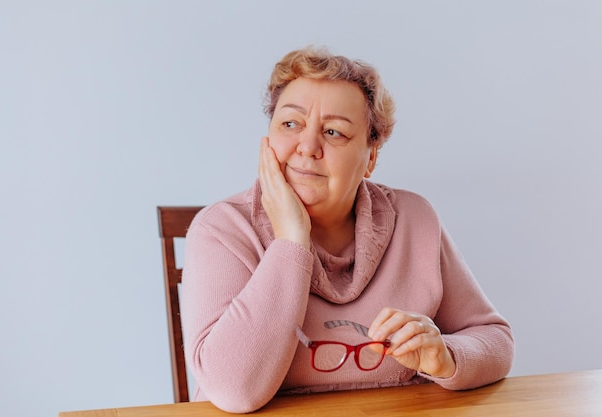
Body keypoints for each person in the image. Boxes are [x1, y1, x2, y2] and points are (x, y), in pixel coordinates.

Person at [181, 46, 514, 413]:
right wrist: (292, 240)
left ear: (371, 157)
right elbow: (234, 391)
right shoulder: (221, 230)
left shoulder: (414, 218)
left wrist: (445, 357)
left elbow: (495, 340)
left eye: (334, 132)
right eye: (290, 124)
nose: (307, 147)